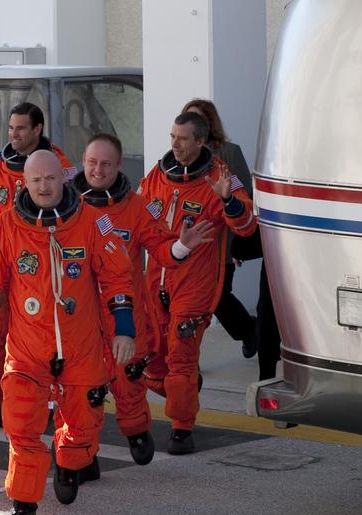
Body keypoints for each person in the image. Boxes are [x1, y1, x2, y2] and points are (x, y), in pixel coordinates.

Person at [0, 150, 134, 515]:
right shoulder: (6, 227)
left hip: (80, 345)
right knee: (20, 424)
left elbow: (118, 279)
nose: (43, 187)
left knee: (85, 422)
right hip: (27, 349)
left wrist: (125, 329)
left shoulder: (91, 222)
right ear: (25, 183)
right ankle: (24, 503)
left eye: (50, 179)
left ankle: (71, 462)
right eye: (36, 180)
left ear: (63, 179)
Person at [73, 133, 214, 463]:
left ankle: (136, 431)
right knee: (79, 390)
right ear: (82, 162)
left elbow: (162, 250)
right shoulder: (65, 207)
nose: (97, 170)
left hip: (124, 315)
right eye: (92, 162)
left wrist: (183, 245)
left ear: (119, 165)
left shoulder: (137, 208)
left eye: (106, 164)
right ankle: (80, 455)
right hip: (78, 319)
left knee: (130, 384)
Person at [140, 112, 256, 455]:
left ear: (201, 141)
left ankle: (181, 428)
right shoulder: (157, 175)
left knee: (181, 359)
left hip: (195, 285)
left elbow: (247, 225)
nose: (175, 144)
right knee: (150, 363)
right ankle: (185, 390)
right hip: (156, 280)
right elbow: (137, 216)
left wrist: (227, 201)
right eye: (172, 136)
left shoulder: (221, 177)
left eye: (183, 138)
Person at [0, 102, 76, 429]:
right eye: (11, 128)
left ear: (37, 129)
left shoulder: (60, 168)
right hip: (0, 258)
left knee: (42, 335)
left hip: (39, 264)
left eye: (21, 128)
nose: (14, 133)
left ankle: (50, 400)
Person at [182, 99, 258, 359]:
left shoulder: (228, 153)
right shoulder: (177, 158)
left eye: (199, 120)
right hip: (188, 244)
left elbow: (244, 195)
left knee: (218, 297)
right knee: (193, 304)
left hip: (221, 241)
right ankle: (189, 358)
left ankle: (249, 330)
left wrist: (237, 242)